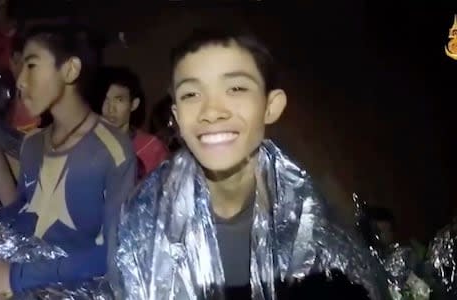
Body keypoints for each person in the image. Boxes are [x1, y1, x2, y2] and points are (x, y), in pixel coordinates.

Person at [110, 28, 390, 299]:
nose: (211, 111)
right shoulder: (146, 215)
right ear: (177, 116)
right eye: (191, 94)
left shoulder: (314, 225)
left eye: (235, 88)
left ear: (270, 106)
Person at [0, 22, 136, 298]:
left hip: (78, 285)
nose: (21, 81)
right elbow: (27, 209)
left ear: (70, 70)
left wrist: (15, 277)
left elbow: (114, 255)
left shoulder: (112, 150)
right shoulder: (34, 144)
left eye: (32, 65)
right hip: (28, 269)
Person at [101, 67, 168, 179]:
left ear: (134, 104)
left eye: (119, 100)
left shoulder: (152, 147)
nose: (110, 109)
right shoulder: (89, 145)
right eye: (106, 100)